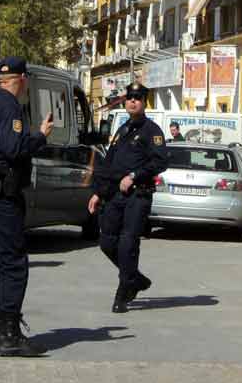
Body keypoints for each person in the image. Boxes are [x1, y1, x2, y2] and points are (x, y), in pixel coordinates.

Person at [0, 57, 53, 357]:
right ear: (21, 79)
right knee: (13, 262)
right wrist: (41, 137)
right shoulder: (9, 107)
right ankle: (9, 333)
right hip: (3, 195)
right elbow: (14, 148)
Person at [88, 82, 168, 313]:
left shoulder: (152, 131)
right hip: (114, 195)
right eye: (129, 98)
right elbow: (108, 164)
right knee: (107, 242)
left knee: (127, 243)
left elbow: (161, 161)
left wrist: (134, 176)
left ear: (144, 102)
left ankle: (123, 292)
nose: (132, 101)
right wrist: (97, 192)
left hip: (137, 195)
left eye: (138, 98)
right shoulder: (123, 130)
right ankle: (135, 278)